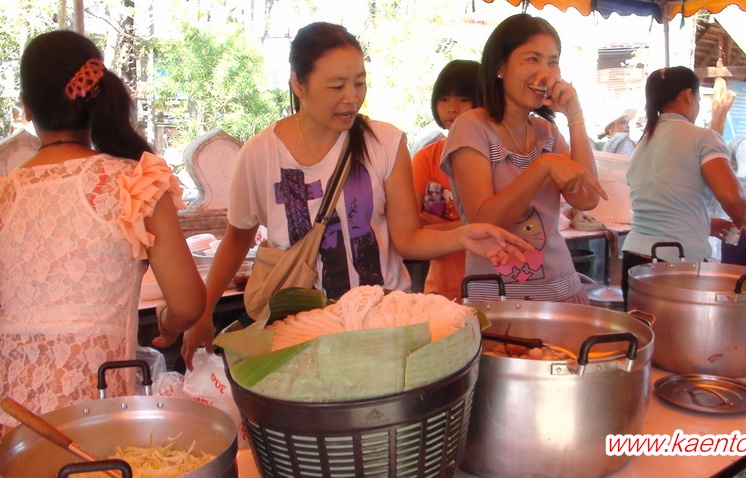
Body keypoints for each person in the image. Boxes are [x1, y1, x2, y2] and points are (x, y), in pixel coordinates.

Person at [180, 22, 531, 369]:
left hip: (386, 328)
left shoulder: (385, 142)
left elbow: (408, 239)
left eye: (359, 83)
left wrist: (463, 236)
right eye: (337, 86)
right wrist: (203, 312)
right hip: (302, 335)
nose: (351, 97)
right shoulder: (260, 154)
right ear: (298, 84)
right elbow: (237, 239)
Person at [0, 31, 205, 436]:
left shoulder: (6, 195)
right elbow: (187, 304)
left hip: (12, 418)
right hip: (98, 412)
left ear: (26, 107)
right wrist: (166, 324)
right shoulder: (134, 181)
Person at [441, 13, 607, 303]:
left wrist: (575, 115)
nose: (545, 73)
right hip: (499, 298)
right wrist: (543, 166)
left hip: (563, 290)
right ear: (500, 66)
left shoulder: (548, 133)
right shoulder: (471, 127)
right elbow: (484, 221)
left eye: (553, 62)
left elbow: (587, 198)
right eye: (532, 59)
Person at [621, 66, 746, 301]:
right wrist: (744, 217)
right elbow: (733, 198)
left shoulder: (642, 145)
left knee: (642, 325)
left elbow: (662, 203)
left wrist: (702, 224)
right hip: (676, 263)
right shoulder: (703, 138)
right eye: (698, 98)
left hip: (634, 260)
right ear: (688, 95)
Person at [412, 59, 480, 301]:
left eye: (463, 99)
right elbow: (409, 231)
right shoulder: (426, 158)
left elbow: (500, 225)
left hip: (494, 289)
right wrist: (470, 226)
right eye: (443, 99)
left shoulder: (496, 158)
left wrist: (440, 229)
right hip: (440, 293)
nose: (452, 108)